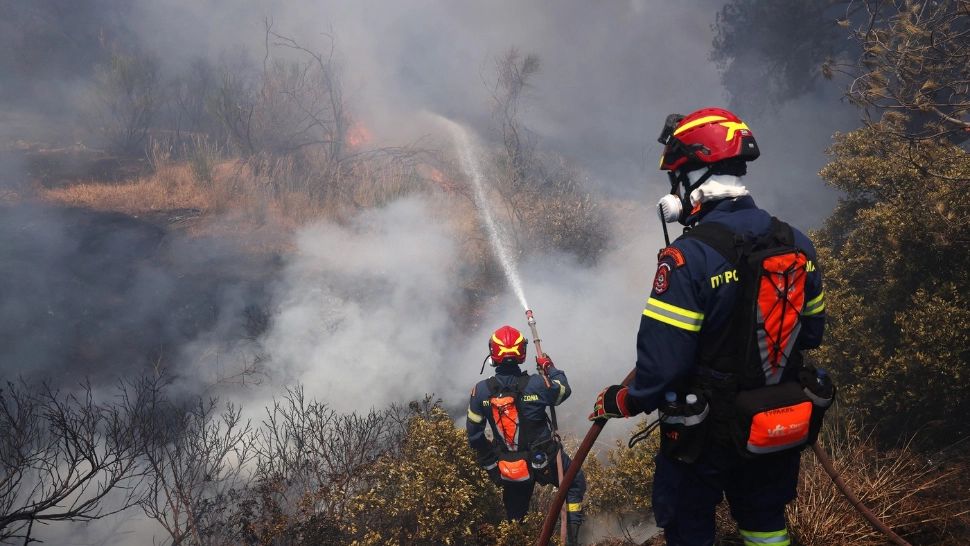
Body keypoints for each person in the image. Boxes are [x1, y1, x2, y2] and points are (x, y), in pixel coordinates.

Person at [589, 108, 830, 546]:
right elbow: (812, 333)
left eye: (679, 178)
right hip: (775, 422)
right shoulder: (797, 242)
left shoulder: (688, 258)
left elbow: (665, 365)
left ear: (698, 176)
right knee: (765, 525)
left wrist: (623, 399)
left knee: (688, 527)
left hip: (705, 435)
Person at [467, 324, 586, 545]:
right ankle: (573, 539)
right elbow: (563, 390)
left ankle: (516, 539)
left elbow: (474, 436)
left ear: (493, 352)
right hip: (545, 460)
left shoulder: (480, 391)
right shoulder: (538, 384)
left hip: (510, 467)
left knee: (515, 516)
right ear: (521, 353)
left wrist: (493, 467)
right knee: (574, 482)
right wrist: (549, 367)